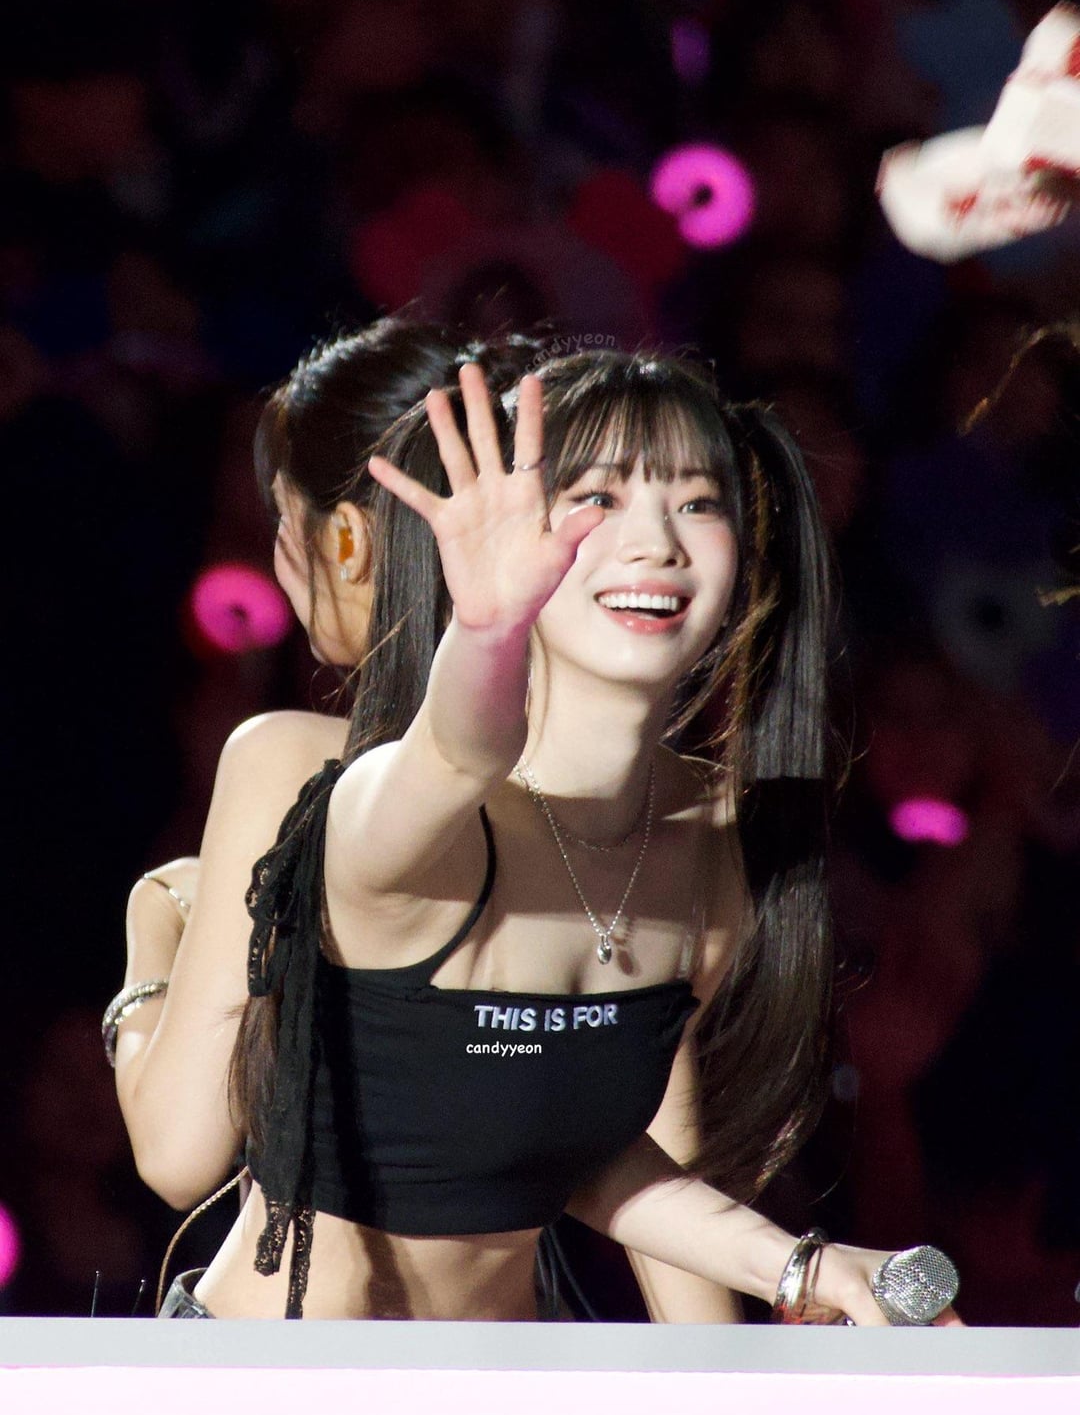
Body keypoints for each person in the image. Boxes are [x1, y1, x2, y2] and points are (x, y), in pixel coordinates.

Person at [138, 348, 959, 1325]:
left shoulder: (711, 839)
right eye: (598, 499)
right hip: (274, 1382)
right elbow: (455, 753)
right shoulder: (383, 805)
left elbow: (577, 1138)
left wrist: (800, 1268)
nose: (656, 541)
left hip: (515, 1379)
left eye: (698, 502)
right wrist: (485, 631)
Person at [111, 322, 743, 1324]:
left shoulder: (292, 765)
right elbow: (654, 1112)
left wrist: (154, 927)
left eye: (279, 524)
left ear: (342, 538)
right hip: (464, 1356)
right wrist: (720, 1363)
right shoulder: (634, 801)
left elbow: (178, 1151)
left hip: (359, 1366)